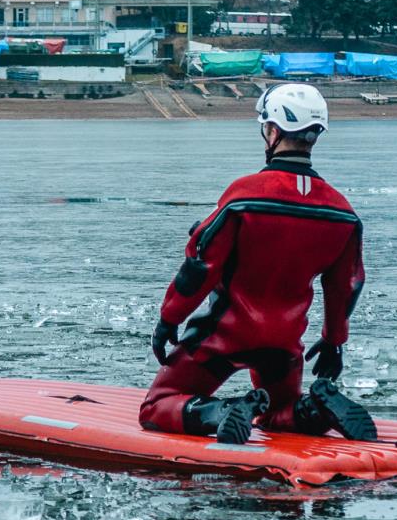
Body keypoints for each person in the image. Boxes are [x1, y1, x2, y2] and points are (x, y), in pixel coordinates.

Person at [140, 83, 377, 445]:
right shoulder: (343, 212)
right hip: (283, 345)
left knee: (156, 407)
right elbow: (345, 285)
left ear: (273, 130)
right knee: (279, 415)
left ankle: (221, 411)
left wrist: (169, 318)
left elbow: (201, 265)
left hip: (224, 336)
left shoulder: (243, 196)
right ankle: (316, 409)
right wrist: (333, 342)